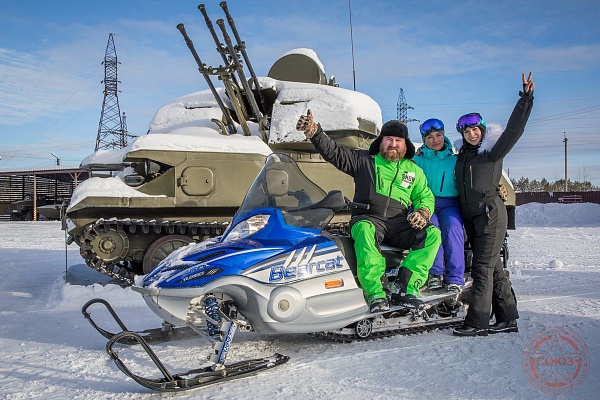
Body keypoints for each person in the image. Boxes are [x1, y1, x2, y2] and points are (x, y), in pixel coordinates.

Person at [296, 112, 441, 313]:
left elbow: (425, 196)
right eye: (389, 139)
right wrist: (315, 133)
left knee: (433, 234)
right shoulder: (363, 160)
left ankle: (406, 288)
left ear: (405, 144)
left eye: (398, 140)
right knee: (364, 229)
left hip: (399, 222)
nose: (393, 144)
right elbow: (335, 153)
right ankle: (376, 293)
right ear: (380, 142)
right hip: (369, 218)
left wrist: (423, 212)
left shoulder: (413, 170)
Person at [452, 72, 535, 337]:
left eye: (476, 129)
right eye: (467, 131)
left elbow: (514, 130)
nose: (472, 134)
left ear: (483, 131)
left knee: (482, 268)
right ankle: (507, 317)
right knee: (495, 269)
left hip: (490, 217)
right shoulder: (463, 157)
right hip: (473, 220)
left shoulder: (492, 152)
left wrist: (525, 99)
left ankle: (477, 322)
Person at [413, 118, 465, 292]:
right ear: (424, 140)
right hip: (425, 203)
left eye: (439, 135)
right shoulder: (417, 160)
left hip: (449, 203)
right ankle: (435, 273)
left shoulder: (455, 160)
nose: (435, 140)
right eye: (430, 137)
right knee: (432, 228)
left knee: (452, 228)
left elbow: (476, 175)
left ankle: (455, 277)